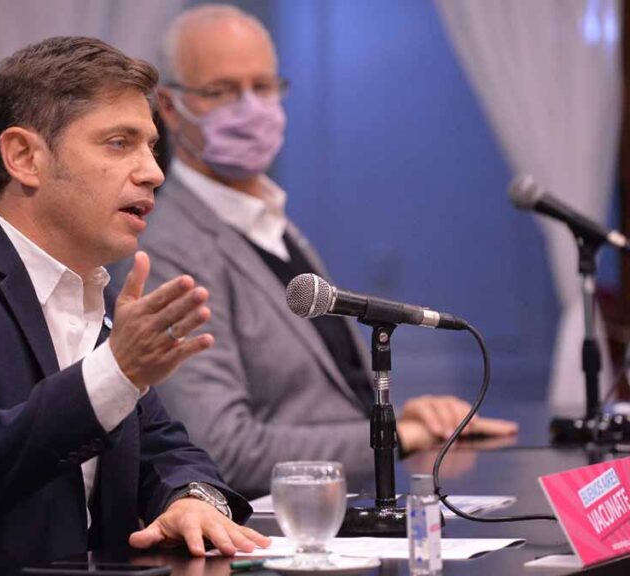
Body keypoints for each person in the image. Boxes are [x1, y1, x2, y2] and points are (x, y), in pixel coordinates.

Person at [0, 36, 269, 575]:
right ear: (24, 157)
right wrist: (114, 373)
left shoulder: (96, 295)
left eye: (151, 146)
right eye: (119, 143)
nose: (154, 172)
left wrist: (191, 499)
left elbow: (167, 451)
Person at [133, 5, 517, 498]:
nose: (250, 108)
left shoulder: (270, 221)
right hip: (278, 530)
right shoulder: (167, 247)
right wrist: (400, 437)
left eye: (263, 86)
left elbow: (319, 398)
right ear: (168, 107)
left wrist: (401, 418)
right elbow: (220, 448)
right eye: (221, 91)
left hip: (346, 515)